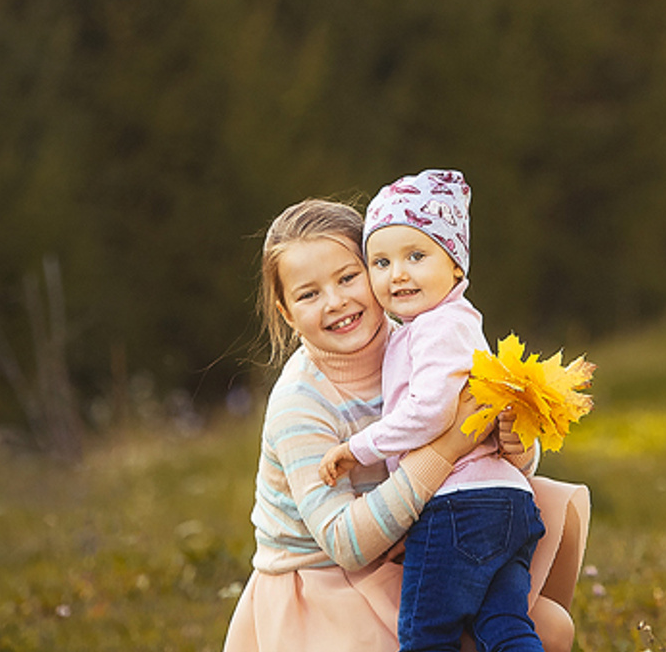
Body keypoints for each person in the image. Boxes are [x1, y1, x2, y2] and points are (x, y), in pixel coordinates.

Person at [222, 196, 589, 652]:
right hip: (324, 585)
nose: (336, 302)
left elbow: (482, 455)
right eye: (309, 293)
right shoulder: (300, 403)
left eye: (349, 277)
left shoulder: (423, 340)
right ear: (286, 312)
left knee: (551, 627)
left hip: (417, 540)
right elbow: (345, 543)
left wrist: (512, 443)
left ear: (377, 272)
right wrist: (447, 448)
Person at [316, 170, 547, 652]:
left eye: (416, 256)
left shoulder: (439, 327)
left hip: (457, 508)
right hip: (507, 501)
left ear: (456, 267)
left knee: (426, 635)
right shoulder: (450, 324)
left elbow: (433, 412)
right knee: (504, 627)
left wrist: (359, 447)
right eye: (380, 262)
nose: (397, 273)